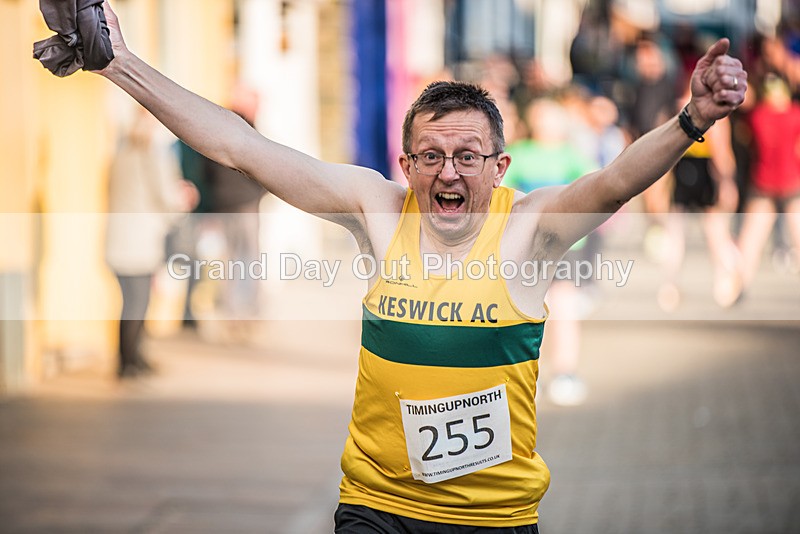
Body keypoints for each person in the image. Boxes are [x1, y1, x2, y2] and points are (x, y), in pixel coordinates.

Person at [83, 2, 746, 530]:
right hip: (377, 508)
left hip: (494, 516)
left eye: (467, 156)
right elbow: (240, 147)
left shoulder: (527, 230)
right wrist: (118, 64)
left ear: (499, 167)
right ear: (406, 165)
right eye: (430, 155)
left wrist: (692, 119)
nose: (448, 171)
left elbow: (614, 182)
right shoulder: (377, 210)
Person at [105, 106, 197, 378]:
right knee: (138, 303)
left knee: (131, 301)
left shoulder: (120, 155)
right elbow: (165, 198)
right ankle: (128, 363)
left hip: (118, 239)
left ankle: (134, 357)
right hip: (140, 241)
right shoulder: (153, 156)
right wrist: (185, 198)